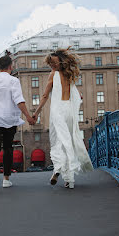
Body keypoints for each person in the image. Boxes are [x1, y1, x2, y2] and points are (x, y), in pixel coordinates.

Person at [33, 48, 93, 189]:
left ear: (59, 62)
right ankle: (69, 180)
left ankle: (58, 170)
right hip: (69, 111)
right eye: (51, 64)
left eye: (54, 63)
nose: (52, 66)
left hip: (58, 111)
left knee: (58, 142)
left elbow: (45, 96)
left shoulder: (53, 75)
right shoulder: (68, 75)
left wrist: (37, 112)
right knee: (68, 142)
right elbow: (77, 94)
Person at [0, 54, 35, 190]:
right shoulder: (13, 81)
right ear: (11, 67)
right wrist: (28, 117)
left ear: (0, 67)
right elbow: (19, 101)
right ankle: (6, 179)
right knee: (7, 148)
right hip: (9, 119)